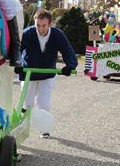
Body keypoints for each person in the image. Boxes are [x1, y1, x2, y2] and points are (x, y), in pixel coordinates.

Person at [16, 9, 77, 138]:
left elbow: (67, 50)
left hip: (47, 74)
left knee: (44, 103)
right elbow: (18, 49)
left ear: (50, 24)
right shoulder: (28, 33)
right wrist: (18, 63)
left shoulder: (57, 35)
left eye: (44, 25)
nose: (40, 29)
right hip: (28, 73)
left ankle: (44, 129)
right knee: (27, 103)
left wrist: (70, 65)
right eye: (38, 25)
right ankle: (22, 127)